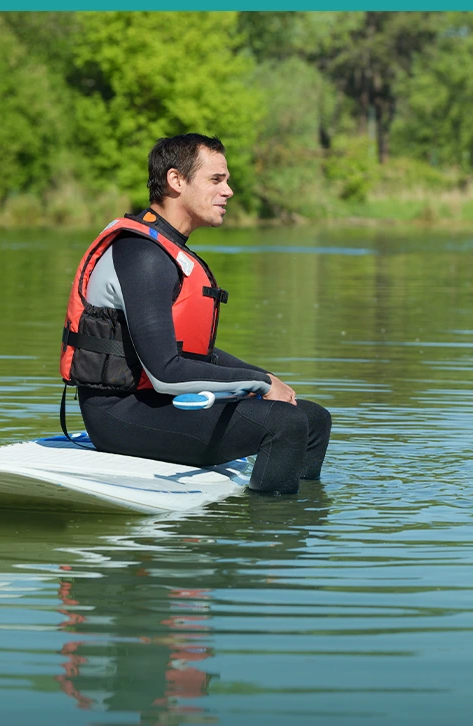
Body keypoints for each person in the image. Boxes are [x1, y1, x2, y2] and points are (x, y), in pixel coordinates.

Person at [60, 133, 331, 494]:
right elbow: (166, 374)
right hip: (119, 416)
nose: (229, 191)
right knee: (284, 424)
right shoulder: (142, 255)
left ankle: (303, 514)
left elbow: (194, 353)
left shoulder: (166, 251)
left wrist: (262, 378)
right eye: (216, 180)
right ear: (176, 181)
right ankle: (271, 534)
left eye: (227, 180)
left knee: (313, 419)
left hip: (157, 404)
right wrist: (261, 384)